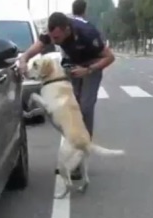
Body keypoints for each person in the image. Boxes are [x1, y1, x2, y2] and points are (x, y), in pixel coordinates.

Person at [18, 12, 115, 180]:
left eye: (57, 37)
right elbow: (39, 45)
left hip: (93, 64)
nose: (54, 41)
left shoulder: (87, 33)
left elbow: (110, 57)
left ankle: (79, 158)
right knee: (72, 110)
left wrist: (89, 70)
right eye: (52, 37)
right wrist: (24, 58)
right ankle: (73, 146)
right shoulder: (54, 31)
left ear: (67, 30)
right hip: (74, 63)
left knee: (85, 107)